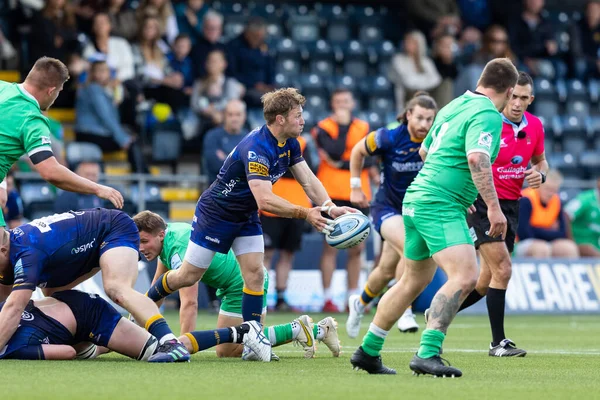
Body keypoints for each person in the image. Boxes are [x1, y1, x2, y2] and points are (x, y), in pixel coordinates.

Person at [144, 87, 357, 363]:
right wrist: (306, 213)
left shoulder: (290, 141)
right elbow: (265, 200)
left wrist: (329, 206)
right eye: (298, 115)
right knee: (187, 276)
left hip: (244, 215)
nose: (303, 120)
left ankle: (254, 335)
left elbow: (307, 179)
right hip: (215, 214)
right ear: (280, 119)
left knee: (255, 273)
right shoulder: (257, 147)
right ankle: (145, 303)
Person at [350, 58, 519, 377]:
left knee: (413, 279)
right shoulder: (486, 114)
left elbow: (426, 152)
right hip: (439, 204)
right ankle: (428, 352)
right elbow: (477, 157)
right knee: (466, 275)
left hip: (416, 198)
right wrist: (492, 207)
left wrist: (462, 190)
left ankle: (368, 350)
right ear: (509, 91)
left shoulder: (453, 106)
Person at [134, 210, 340, 358]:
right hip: (232, 285)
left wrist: (180, 347)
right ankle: (313, 330)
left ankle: (306, 330)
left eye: (144, 241)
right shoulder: (167, 238)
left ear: (160, 234)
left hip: (243, 284)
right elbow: (155, 296)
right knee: (236, 343)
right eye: (138, 243)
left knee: (227, 350)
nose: (141, 248)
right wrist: (131, 328)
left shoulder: (178, 247)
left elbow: (190, 303)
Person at [0, 208, 191, 362]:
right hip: (82, 251)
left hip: (113, 228)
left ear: (2, 250)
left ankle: (169, 341)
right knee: (51, 292)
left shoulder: (26, 254)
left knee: (116, 287)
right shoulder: (12, 253)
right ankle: (93, 340)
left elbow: (14, 306)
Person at [458, 71, 548, 357]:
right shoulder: (489, 122)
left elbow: (541, 161)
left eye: (524, 98)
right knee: (504, 270)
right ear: (507, 94)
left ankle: (439, 315)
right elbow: (468, 158)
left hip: (511, 205)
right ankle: (498, 343)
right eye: (514, 96)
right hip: (484, 203)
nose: (518, 103)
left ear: (530, 99)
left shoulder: (535, 126)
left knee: (485, 282)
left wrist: (540, 176)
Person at [0, 57, 123, 242]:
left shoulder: (2, 87)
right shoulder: (33, 120)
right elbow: (51, 172)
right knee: (5, 255)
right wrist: (97, 189)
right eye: (58, 92)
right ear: (51, 90)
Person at [346, 93, 438, 339]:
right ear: (408, 115)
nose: (424, 125)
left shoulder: (436, 139)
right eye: (419, 118)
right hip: (387, 208)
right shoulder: (388, 136)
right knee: (410, 248)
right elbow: (357, 151)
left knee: (386, 270)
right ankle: (405, 310)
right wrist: (356, 186)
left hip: (417, 210)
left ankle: (360, 302)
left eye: (430, 119)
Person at [0, 289, 269, 362]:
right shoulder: (4, 313)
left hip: (91, 316)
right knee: (91, 351)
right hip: (69, 303)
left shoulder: (12, 349)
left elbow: (68, 353)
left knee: (168, 349)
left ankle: (242, 331)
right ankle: (121, 333)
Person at [312, 88, 374, 312]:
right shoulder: (323, 127)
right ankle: (328, 298)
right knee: (330, 246)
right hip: (330, 193)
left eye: (346, 101)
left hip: (359, 192)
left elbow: (370, 160)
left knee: (357, 247)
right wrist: (344, 126)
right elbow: (336, 151)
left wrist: (345, 164)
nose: (342, 106)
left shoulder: (365, 127)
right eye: (338, 102)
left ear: (353, 103)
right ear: (332, 104)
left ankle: (353, 298)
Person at [260, 134, 315, 311]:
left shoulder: (303, 143)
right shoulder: (265, 142)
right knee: (266, 254)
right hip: (271, 206)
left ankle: (281, 298)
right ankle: (259, 297)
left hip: (297, 206)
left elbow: (308, 171)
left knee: (287, 254)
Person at [516, 169, 579, 258]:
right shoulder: (526, 199)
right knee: (542, 249)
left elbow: (562, 233)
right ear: (539, 186)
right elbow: (524, 233)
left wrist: (537, 230)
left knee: (569, 248)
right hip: (522, 243)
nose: (550, 193)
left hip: (546, 241)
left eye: (554, 190)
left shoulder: (556, 201)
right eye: (547, 189)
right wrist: (550, 231)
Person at [565, 176, 600, 257]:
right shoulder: (585, 199)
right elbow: (566, 214)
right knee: (591, 251)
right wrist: (571, 242)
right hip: (580, 243)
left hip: (596, 245)